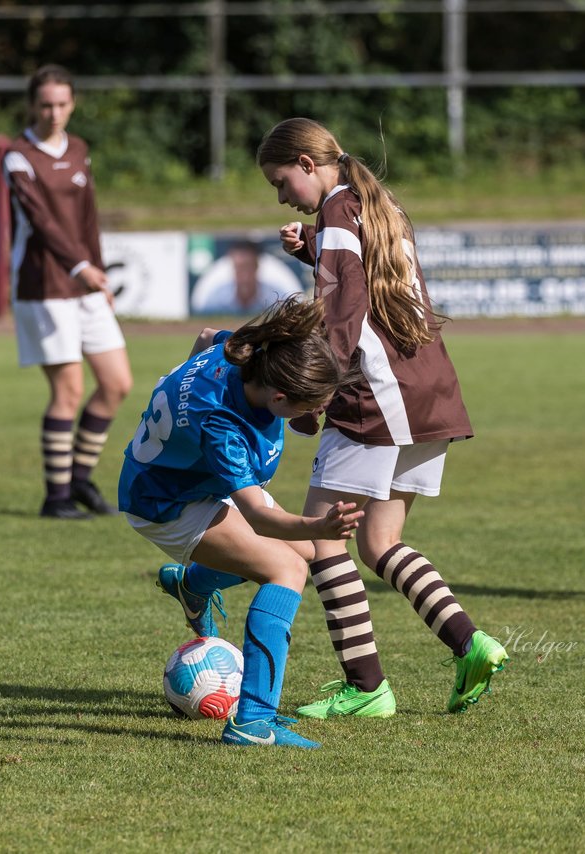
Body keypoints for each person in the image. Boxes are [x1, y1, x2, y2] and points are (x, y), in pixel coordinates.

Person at [251, 117, 508, 720]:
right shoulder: (374, 202)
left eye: (281, 180)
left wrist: (311, 398)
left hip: (377, 395)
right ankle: (471, 644)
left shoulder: (338, 215)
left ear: (308, 165)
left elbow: (341, 318)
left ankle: (367, 688)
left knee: (318, 537)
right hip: (430, 390)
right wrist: (311, 249)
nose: (282, 195)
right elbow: (366, 276)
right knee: (379, 541)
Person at [120, 297, 364, 748]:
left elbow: (205, 336)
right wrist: (319, 524)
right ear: (279, 397)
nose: (320, 411)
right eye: (314, 404)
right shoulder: (224, 429)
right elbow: (258, 516)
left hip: (194, 480)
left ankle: (193, 586)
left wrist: (184, 405)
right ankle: (253, 722)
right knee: (286, 568)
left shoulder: (247, 353)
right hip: (165, 502)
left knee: (303, 553)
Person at [3, 64, 133, 519]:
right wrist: (80, 267)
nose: (54, 112)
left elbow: (87, 220)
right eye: (45, 104)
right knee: (69, 389)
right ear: (32, 105)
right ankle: (55, 497)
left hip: (84, 286)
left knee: (117, 383)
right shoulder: (17, 156)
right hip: (43, 288)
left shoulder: (79, 150)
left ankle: (79, 481)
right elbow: (42, 222)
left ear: (72, 103)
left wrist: (96, 272)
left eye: (61, 104)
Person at [189, 240, 305, 314]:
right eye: (239, 268)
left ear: (257, 267)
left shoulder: (277, 296)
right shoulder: (216, 298)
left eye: (248, 267)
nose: (244, 274)